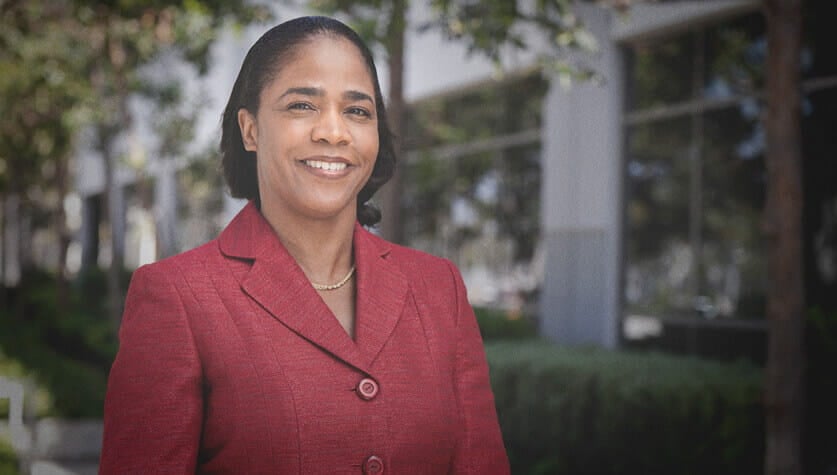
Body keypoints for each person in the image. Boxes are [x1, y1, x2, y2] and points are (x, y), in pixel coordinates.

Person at [99, 16, 510, 474]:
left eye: (357, 111)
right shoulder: (177, 296)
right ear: (250, 129)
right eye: (302, 106)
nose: (334, 132)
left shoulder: (439, 289)